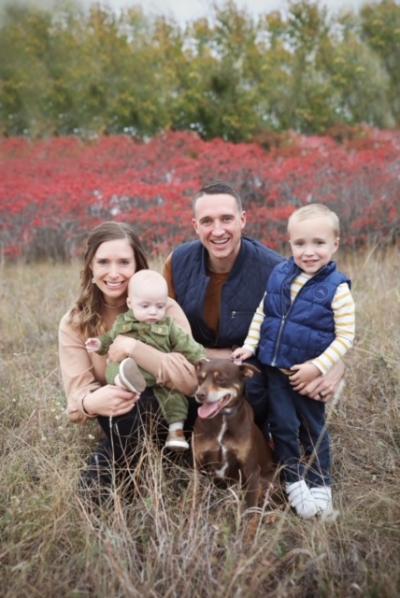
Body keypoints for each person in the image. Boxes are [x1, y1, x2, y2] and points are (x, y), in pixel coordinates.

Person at [163, 182, 345, 434]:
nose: (218, 231)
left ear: (242, 220)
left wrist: (335, 367)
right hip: (196, 370)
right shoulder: (178, 261)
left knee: (277, 390)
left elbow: (318, 327)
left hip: (253, 377)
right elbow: (161, 327)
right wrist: (216, 354)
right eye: (207, 221)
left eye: (226, 219)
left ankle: (272, 441)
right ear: (195, 225)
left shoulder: (277, 270)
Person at [58, 222, 199, 498]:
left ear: (137, 266)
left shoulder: (164, 308)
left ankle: (164, 465)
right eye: (103, 262)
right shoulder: (75, 322)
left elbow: (191, 379)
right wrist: (91, 401)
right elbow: (77, 397)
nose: (114, 273)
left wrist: (134, 347)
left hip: (175, 410)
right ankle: (114, 481)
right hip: (122, 413)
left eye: (124, 262)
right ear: (90, 266)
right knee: (125, 406)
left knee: (151, 401)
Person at [232, 203, 355, 519]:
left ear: (335, 244)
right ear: (290, 243)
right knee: (284, 427)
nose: (309, 252)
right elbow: (263, 312)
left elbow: (345, 338)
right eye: (300, 244)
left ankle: (320, 488)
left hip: (307, 375)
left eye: (318, 243)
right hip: (275, 370)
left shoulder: (337, 289)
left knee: (313, 430)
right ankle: (294, 483)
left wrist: (318, 367)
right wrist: (250, 345)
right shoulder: (280, 274)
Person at [85, 269, 206, 452]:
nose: (153, 312)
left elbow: (187, 344)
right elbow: (110, 339)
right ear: (130, 303)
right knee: (117, 367)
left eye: (159, 306)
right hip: (129, 374)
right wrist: (99, 344)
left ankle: (176, 432)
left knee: (175, 399)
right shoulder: (123, 322)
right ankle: (123, 381)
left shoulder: (168, 324)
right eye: (145, 306)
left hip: (158, 379)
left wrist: (201, 359)